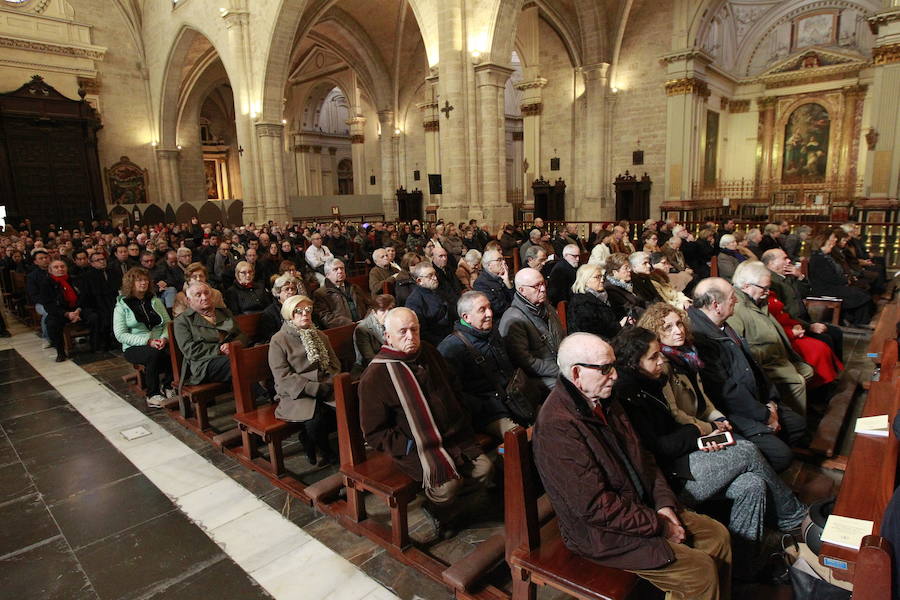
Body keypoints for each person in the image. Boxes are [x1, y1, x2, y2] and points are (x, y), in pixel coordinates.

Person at [533, 333, 732, 600]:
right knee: (699, 573)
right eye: (605, 369)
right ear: (577, 373)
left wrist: (664, 504)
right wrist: (660, 526)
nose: (615, 375)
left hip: (640, 508)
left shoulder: (605, 399)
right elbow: (594, 507)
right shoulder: (557, 426)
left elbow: (644, 457)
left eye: (613, 366)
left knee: (718, 536)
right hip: (601, 534)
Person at [610, 326, 807, 576]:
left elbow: (675, 429)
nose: (661, 360)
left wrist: (702, 441)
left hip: (683, 460)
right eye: (653, 357)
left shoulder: (651, 381)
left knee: (752, 484)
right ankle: (795, 518)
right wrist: (698, 435)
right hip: (669, 482)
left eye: (660, 353)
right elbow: (659, 448)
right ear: (633, 362)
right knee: (745, 450)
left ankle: (742, 568)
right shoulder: (628, 393)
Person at [359, 307, 493, 537]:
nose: (411, 337)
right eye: (403, 332)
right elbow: (374, 432)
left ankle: (451, 509)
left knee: (485, 469)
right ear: (387, 336)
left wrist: (461, 415)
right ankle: (438, 509)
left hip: (454, 436)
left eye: (415, 330)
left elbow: (453, 386)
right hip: (418, 448)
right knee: (448, 487)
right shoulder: (376, 376)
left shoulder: (429, 352)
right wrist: (409, 445)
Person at [688, 278, 806, 473]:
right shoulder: (701, 337)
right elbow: (727, 392)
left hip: (756, 401)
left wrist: (771, 402)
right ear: (716, 305)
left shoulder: (721, 324)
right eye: (732, 297)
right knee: (782, 456)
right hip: (733, 412)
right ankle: (763, 475)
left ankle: (768, 458)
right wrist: (765, 415)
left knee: (797, 424)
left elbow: (754, 367)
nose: (736, 300)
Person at [728, 261, 813, 416]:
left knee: (807, 369)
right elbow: (738, 349)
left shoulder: (757, 301)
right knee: (797, 381)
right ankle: (796, 423)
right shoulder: (737, 307)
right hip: (763, 364)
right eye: (765, 288)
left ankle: (790, 411)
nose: (768, 292)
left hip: (775, 358)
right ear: (746, 286)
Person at [269, 294, 340, 466]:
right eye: (298, 312)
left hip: (324, 387)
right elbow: (283, 376)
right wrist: (314, 387)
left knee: (345, 410)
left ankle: (310, 440)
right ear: (289, 315)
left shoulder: (320, 336)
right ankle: (329, 454)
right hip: (296, 392)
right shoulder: (279, 340)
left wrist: (328, 383)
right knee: (315, 420)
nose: (304, 315)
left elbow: (335, 365)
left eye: (308, 310)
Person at [438, 291, 518, 439]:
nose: (490, 314)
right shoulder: (452, 348)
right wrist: (481, 406)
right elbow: (451, 392)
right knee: (517, 435)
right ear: (466, 317)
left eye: (489, 307)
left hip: (512, 399)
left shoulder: (491, 332)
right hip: (488, 412)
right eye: (482, 310)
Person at [763, 248, 843, 360]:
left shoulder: (787, 276)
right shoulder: (772, 282)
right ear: (772, 263)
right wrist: (809, 327)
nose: (789, 261)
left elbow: (805, 293)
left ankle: (836, 369)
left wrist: (800, 276)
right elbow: (783, 312)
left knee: (836, 332)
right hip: (793, 323)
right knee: (826, 339)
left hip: (804, 319)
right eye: (784, 258)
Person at [113, 267, 173, 408]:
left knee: (176, 348)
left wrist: (164, 338)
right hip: (135, 346)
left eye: (146, 280)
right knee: (154, 353)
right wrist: (148, 341)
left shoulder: (155, 300)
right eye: (139, 280)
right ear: (130, 283)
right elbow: (120, 334)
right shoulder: (122, 306)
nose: (143, 283)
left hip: (159, 341)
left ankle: (169, 385)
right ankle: (152, 394)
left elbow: (167, 323)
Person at [498, 268, 563, 391]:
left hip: (559, 365)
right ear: (522, 290)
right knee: (571, 387)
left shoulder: (546, 307)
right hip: (536, 378)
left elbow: (561, 337)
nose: (543, 289)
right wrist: (560, 371)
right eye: (536, 286)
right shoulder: (513, 319)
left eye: (543, 283)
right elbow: (526, 363)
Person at [173, 281, 246, 385]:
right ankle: (262, 396)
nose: (204, 297)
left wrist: (232, 346)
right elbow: (190, 350)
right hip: (205, 364)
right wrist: (219, 350)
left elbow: (241, 335)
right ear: (189, 301)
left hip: (232, 353)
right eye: (198, 295)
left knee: (259, 353)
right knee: (235, 362)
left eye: (207, 293)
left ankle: (268, 394)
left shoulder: (223, 312)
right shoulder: (183, 320)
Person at [807, 231, 874, 327]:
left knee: (862, 293)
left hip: (831, 286)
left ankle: (853, 319)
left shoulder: (825, 256)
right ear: (822, 244)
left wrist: (845, 279)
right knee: (861, 296)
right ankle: (859, 323)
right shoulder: (818, 258)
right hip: (824, 290)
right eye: (829, 244)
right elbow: (828, 278)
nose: (832, 245)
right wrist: (845, 280)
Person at [38, 259, 99, 361]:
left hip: (77, 309)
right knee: (52, 323)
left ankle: (95, 345)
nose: (60, 269)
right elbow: (49, 305)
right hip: (60, 312)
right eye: (56, 267)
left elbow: (84, 296)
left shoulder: (75, 279)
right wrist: (67, 314)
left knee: (94, 316)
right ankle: (60, 352)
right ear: (50, 270)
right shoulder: (46, 284)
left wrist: (78, 310)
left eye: (62, 266)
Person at [566, 264, 624, 339]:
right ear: (585, 280)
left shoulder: (604, 296)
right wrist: (619, 326)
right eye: (597, 277)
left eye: (602, 276)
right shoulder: (582, 303)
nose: (602, 280)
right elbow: (592, 331)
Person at [404, 262, 453, 346]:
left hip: (452, 334)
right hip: (438, 343)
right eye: (430, 276)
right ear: (419, 281)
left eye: (435, 274)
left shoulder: (439, 290)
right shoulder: (414, 301)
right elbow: (422, 333)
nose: (435, 278)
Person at [312, 258, 367, 329]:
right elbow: (325, 317)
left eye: (342, 268)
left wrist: (366, 320)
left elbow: (369, 305)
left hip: (364, 325)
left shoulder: (354, 287)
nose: (340, 271)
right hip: (343, 329)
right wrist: (350, 324)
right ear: (327, 275)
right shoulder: (320, 293)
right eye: (335, 269)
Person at [353, 293, 395, 372]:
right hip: (369, 369)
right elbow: (369, 358)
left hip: (392, 363)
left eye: (390, 309)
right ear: (374, 312)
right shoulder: (362, 329)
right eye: (382, 310)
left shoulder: (394, 322)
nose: (387, 314)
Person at [472, 248, 514, 320]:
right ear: (489, 265)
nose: (504, 262)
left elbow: (515, 298)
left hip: (511, 314)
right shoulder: (480, 284)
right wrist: (515, 308)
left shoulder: (502, 276)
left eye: (503, 259)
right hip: (499, 320)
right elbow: (498, 308)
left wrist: (507, 282)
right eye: (499, 260)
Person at [603, 253, 645, 322]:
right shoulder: (610, 289)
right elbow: (630, 309)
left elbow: (644, 300)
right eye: (626, 268)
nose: (629, 270)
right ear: (615, 272)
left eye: (629, 267)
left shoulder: (630, 281)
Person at [259, 273, 300, 344]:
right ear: (278, 292)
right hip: (283, 344)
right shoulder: (269, 313)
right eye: (287, 289)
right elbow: (270, 336)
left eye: (293, 289)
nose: (291, 292)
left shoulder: (300, 307)